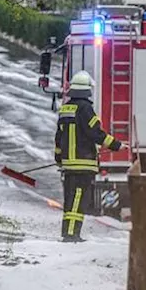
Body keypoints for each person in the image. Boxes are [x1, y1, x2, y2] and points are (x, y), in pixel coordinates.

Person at [54, 71, 124, 242]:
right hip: (83, 164)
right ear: (87, 91)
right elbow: (96, 133)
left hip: (69, 165)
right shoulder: (86, 109)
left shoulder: (65, 109)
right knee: (79, 199)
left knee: (70, 200)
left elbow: (58, 137)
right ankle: (72, 235)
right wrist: (116, 145)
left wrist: (59, 158)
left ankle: (68, 232)